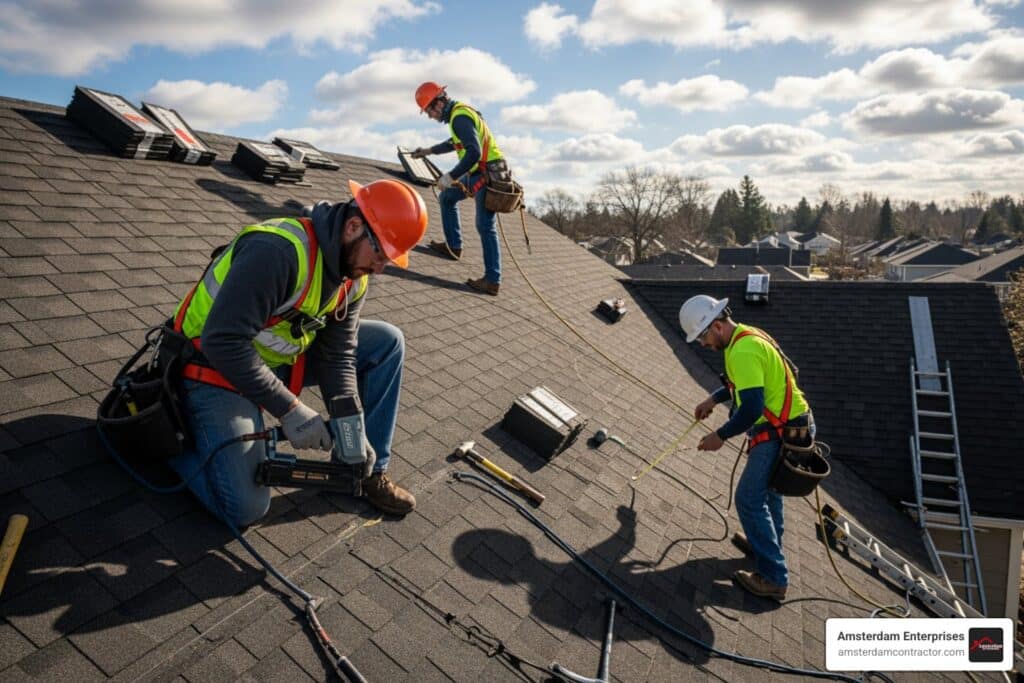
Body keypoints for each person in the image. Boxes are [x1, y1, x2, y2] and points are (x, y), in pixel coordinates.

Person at [167, 179, 428, 526]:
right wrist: (290, 409)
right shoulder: (278, 252)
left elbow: (338, 355)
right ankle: (167, 445)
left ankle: (365, 472)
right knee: (244, 508)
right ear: (353, 227)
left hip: (275, 361)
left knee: (387, 342)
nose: (380, 268)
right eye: (380, 253)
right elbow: (223, 341)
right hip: (211, 367)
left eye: (389, 260)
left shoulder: (354, 275)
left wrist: (351, 428)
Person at [681, 295, 814, 601]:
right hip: (791, 425)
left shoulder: (742, 350)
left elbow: (753, 405)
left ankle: (773, 577)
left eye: (702, 337)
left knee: (748, 499)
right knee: (769, 493)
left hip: (782, 431)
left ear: (716, 326)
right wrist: (713, 399)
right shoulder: (744, 336)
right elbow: (739, 384)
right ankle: (765, 543)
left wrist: (721, 435)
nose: (702, 344)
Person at [410, 81, 507, 296]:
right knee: (447, 198)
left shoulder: (460, 117)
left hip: (486, 174)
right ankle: (454, 246)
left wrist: (450, 176)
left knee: (485, 225)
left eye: (428, 111)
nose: (430, 117)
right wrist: (428, 151)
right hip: (476, 173)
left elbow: (473, 152)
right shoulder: (459, 114)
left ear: (439, 102)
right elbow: (455, 143)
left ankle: (492, 280)